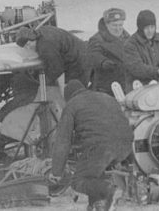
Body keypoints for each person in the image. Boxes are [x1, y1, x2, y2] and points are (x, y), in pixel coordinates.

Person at [49, 80, 132, 211]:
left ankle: (110, 190)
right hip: (126, 144)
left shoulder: (72, 104)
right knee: (94, 171)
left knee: (79, 180)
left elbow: (63, 141)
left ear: (68, 96)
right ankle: (97, 204)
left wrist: (56, 171)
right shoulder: (107, 97)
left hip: (101, 146)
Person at [15, 26, 90, 86]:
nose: (29, 48)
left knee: (76, 92)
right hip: (82, 51)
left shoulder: (44, 47)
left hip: (78, 62)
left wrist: (44, 81)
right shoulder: (42, 30)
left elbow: (57, 68)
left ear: (32, 38)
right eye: (25, 47)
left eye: (28, 44)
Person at [87, 8, 130, 96]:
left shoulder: (127, 38)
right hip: (107, 89)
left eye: (120, 25)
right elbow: (94, 54)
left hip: (126, 85)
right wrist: (103, 62)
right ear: (106, 24)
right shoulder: (97, 39)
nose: (118, 28)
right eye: (114, 25)